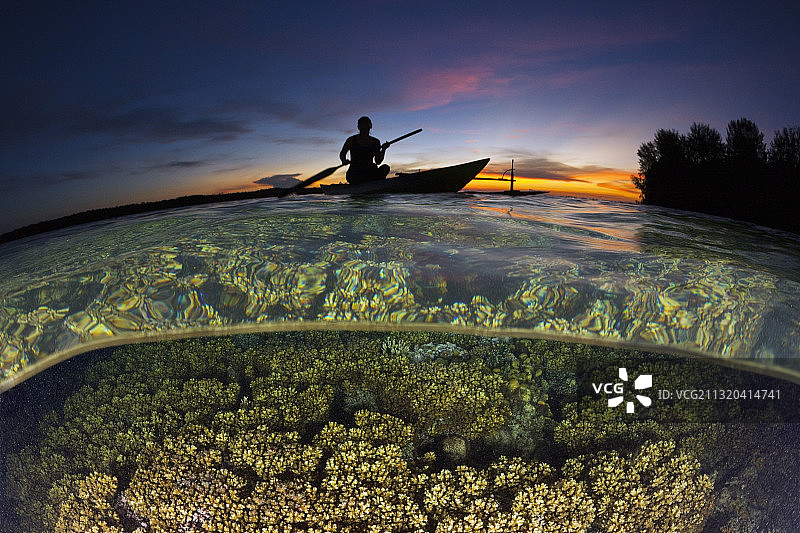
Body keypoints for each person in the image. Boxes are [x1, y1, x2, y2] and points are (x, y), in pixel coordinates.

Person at [339, 116, 391, 184]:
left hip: (370, 171)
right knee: (360, 176)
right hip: (355, 173)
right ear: (358, 127)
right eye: (362, 125)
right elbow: (342, 154)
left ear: (370, 126)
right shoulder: (351, 140)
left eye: (366, 124)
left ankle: (374, 183)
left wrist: (383, 150)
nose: (364, 127)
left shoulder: (376, 142)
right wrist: (344, 160)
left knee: (385, 168)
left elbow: (378, 161)